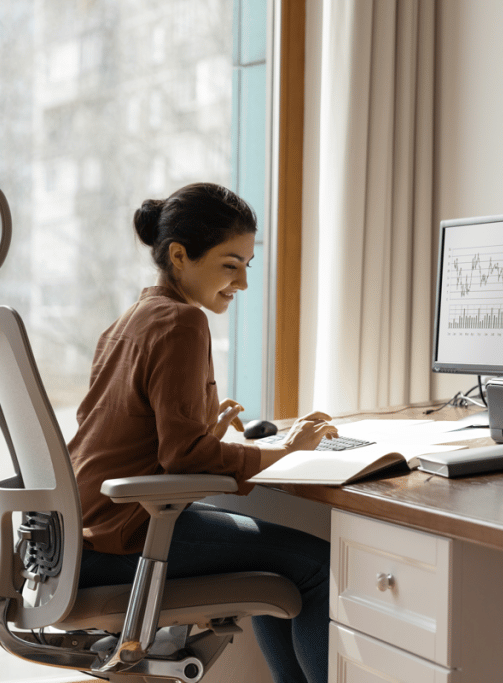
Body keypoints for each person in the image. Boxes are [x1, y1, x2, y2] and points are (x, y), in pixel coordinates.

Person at [67, 182, 337, 683]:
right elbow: (185, 458)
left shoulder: (131, 319)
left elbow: (131, 436)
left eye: (247, 267)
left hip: (81, 538)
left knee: (281, 571)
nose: (243, 283)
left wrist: (208, 435)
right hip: (124, 540)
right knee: (319, 566)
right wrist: (285, 451)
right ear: (179, 255)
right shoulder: (183, 322)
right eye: (230, 265)